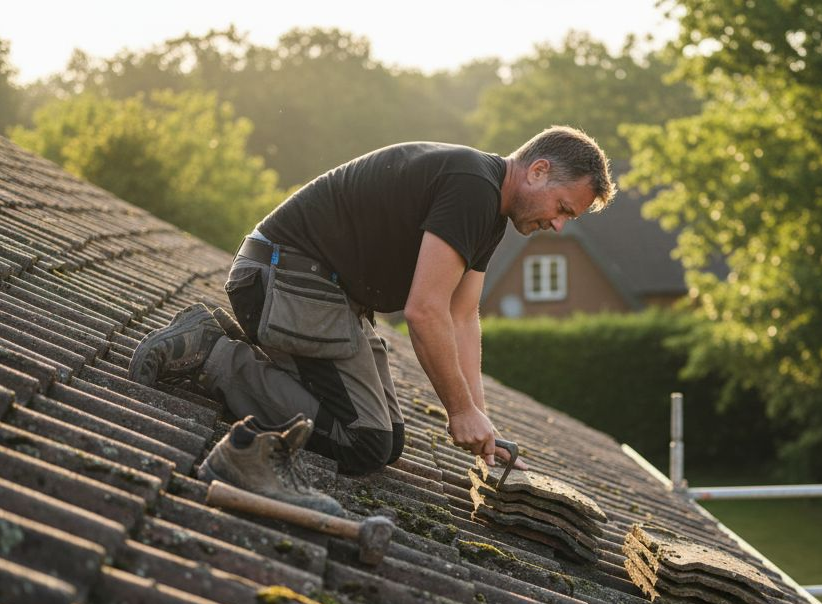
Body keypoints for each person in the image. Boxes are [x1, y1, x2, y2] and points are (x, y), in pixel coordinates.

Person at [130, 126, 614, 477]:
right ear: (539, 170)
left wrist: (479, 420)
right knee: (362, 442)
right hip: (282, 280)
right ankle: (216, 355)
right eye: (563, 208)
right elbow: (424, 312)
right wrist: (459, 412)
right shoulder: (473, 187)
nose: (558, 226)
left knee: (389, 443)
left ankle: (226, 342)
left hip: (314, 292)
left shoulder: (489, 209)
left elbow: (462, 317)